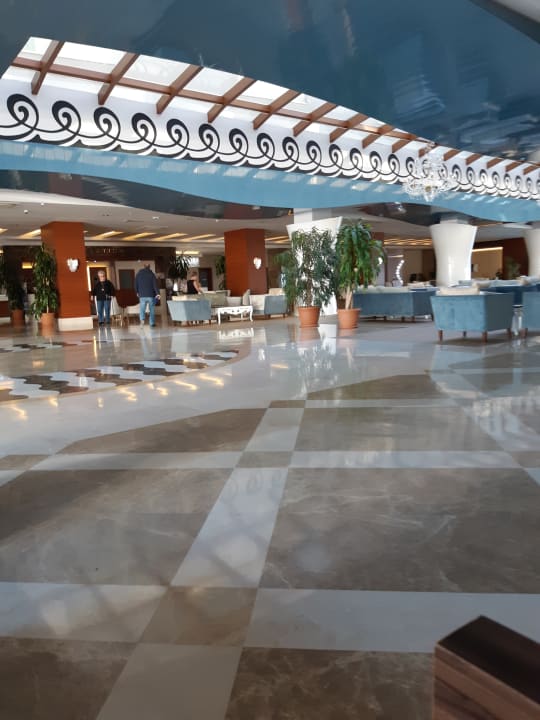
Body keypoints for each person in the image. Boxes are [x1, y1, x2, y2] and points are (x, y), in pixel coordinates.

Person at [135, 262, 160, 327]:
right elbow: (155, 285)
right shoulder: (152, 274)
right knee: (151, 309)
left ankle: (142, 320)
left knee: (142, 309)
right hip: (150, 295)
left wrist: (137, 292)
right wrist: (157, 293)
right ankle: (152, 323)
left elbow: (135, 284)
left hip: (142, 295)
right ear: (149, 267)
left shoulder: (138, 274)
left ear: (144, 267)